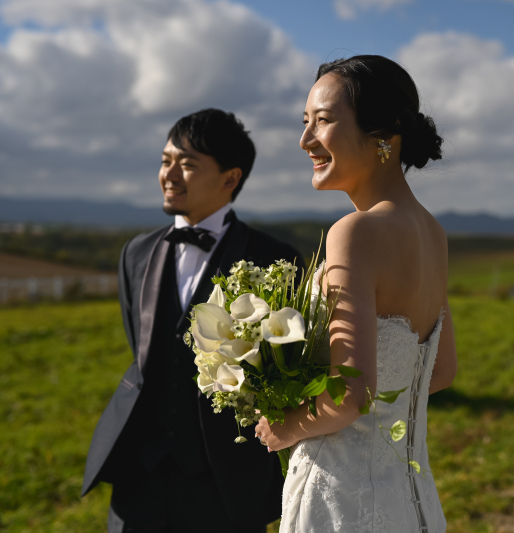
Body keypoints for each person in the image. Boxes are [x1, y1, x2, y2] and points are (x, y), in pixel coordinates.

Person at [255, 55, 458, 532]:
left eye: (323, 121)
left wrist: (284, 425)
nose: (306, 140)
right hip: (413, 500)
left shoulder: (355, 234)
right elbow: (441, 371)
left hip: (342, 503)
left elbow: (349, 398)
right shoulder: (433, 234)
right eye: (305, 123)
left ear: (382, 136)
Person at [82, 108, 300, 532]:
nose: (170, 174)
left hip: (227, 478)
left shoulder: (274, 258)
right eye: (166, 161)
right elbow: (142, 351)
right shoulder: (136, 253)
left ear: (230, 178)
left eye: (187, 164)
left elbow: (283, 369)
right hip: (138, 471)